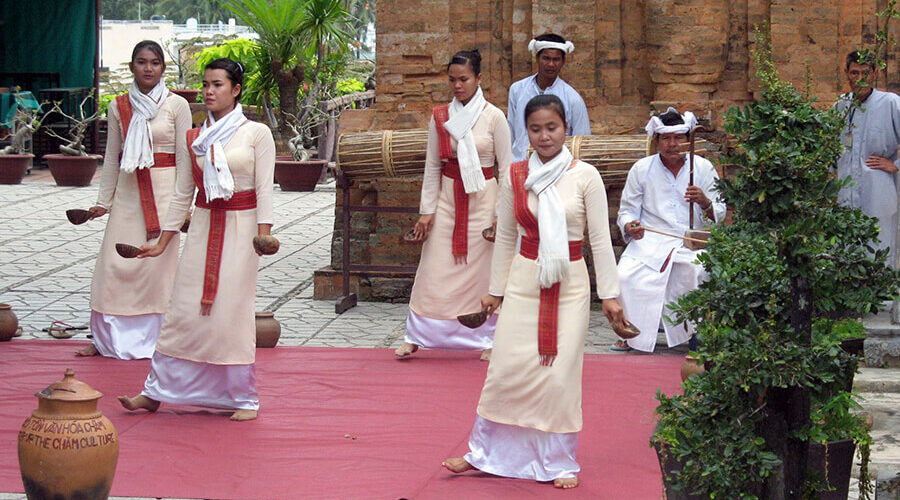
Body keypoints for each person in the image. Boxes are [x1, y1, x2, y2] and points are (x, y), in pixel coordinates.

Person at [442, 94, 625, 489]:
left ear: (566, 129)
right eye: (537, 129)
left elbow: (601, 239)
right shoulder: (516, 174)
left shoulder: (586, 176)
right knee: (506, 369)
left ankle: (558, 462)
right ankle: (485, 453)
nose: (545, 136)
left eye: (552, 127)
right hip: (524, 279)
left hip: (571, 282)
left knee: (558, 377)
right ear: (527, 131)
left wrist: (609, 295)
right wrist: (494, 291)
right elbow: (506, 235)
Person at [118, 58, 275, 421]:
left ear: (236, 90)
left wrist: (263, 236)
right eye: (205, 84)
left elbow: (265, 191)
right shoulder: (194, 138)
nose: (208, 91)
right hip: (203, 226)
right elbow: (181, 194)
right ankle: (157, 391)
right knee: (184, 309)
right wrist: (162, 242)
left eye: (217, 84)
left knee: (230, 313)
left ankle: (241, 397)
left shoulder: (256, 134)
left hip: (241, 229)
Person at [394, 49, 512, 360]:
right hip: (447, 200)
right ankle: (415, 335)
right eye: (452, 80)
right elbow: (432, 166)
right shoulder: (441, 116)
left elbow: (508, 167)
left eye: (464, 79)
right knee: (433, 268)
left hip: (484, 200)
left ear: (479, 79)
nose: (457, 85)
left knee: (485, 273)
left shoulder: (494, 117)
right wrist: (427, 211)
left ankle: (487, 338)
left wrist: (502, 214)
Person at [78, 40, 192, 359]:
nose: (148, 68)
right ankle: (106, 339)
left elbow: (185, 160)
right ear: (131, 67)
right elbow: (112, 158)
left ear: (163, 68)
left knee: (157, 269)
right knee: (113, 266)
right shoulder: (118, 106)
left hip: (166, 193)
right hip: (128, 195)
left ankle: (159, 340)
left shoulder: (176, 106)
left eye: (155, 63)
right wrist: (103, 201)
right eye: (141, 62)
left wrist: (186, 207)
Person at [613, 108, 725, 353]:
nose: (672, 144)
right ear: (657, 142)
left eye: (678, 138)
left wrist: (705, 202)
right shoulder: (641, 169)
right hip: (650, 239)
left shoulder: (703, 168)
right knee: (624, 275)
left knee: (696, 270)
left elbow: (720, 211)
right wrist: (631, 226)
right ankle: (631, 334)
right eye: (666, 138)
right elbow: (627, 211)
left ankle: (694, 334)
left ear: (688, 140)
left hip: (690, 240)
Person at [835, 50, 900, 265]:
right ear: (846, 74)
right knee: (846, 254)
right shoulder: (841, 106)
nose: (859, 79)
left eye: (865, 73)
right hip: (846, 193)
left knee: (879, 253)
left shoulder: (890, 103)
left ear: (874, 74)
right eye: (854, 73)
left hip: (878, 193)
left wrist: (895, 164)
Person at [506, 33, 591, 161]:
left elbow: (581, 143)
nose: (551, 64)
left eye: (556, 59)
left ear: (563, 62)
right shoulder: (517, 90)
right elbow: (510, 133)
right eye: (546, 58)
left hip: (558, 170)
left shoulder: (573, 99)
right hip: (521, 165)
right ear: (537, 58)